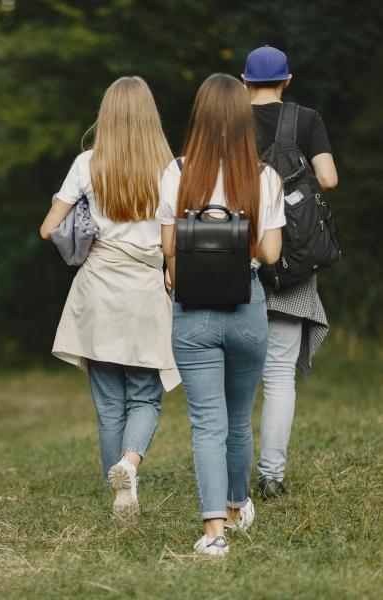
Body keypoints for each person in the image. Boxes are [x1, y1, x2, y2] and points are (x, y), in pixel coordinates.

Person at [157, 73, 285, 556]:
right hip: (247, 305)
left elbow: (169, 245)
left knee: (206, 421)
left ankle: (214, 532)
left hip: (192, 311)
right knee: (237, 418)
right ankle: (236, 506)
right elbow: (270, 253)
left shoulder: (177, 172)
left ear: (200, 116)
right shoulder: (265, 176)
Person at [41, 76, 180, 520]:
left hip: (98, 289)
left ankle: (119, 492)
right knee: (144, 395)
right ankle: (130, 464)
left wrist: (81, 213)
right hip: (145, 289)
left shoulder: (87, 163)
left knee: (107, 402)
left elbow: (48, 228)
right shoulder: (170, 169)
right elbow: (173, 238)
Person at [241, 45, 337, 501]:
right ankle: (271, 477)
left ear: (243, 81)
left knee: (233, 375)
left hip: (233, 264)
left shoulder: (227, 120)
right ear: (287, 79)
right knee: (278, 374)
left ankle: (227, 474)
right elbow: (330, 179)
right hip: (292, 265)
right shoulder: (306, 118)